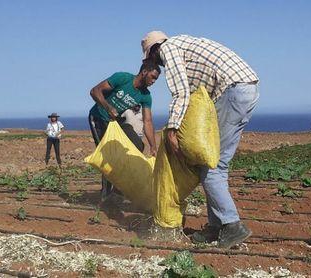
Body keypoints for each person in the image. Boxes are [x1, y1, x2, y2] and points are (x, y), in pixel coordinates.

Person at [142, 31, 260, 249]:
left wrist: (173, 128)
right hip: (247, 89)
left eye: (151, 58)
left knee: (210, 166)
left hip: (233, 91)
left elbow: (181, 93)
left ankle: (232, 225)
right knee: (217, 164)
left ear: (154, 50)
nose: (158, 64)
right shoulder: (186, 44)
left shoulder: (169, 49)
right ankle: (216, 227)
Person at [88, 61, 160, 199]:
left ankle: (119, 186)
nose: (154, 81)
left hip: (115, 122)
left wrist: (153, 146)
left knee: (137, 145)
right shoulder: (122, 78)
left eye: (156, 79)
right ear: (144, 72)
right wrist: (108, 107)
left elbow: (148, 121)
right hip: (98, 118)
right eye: (153, 77)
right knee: (107, 156)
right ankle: (106, 195)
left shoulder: (146, 96)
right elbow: (95, 91)